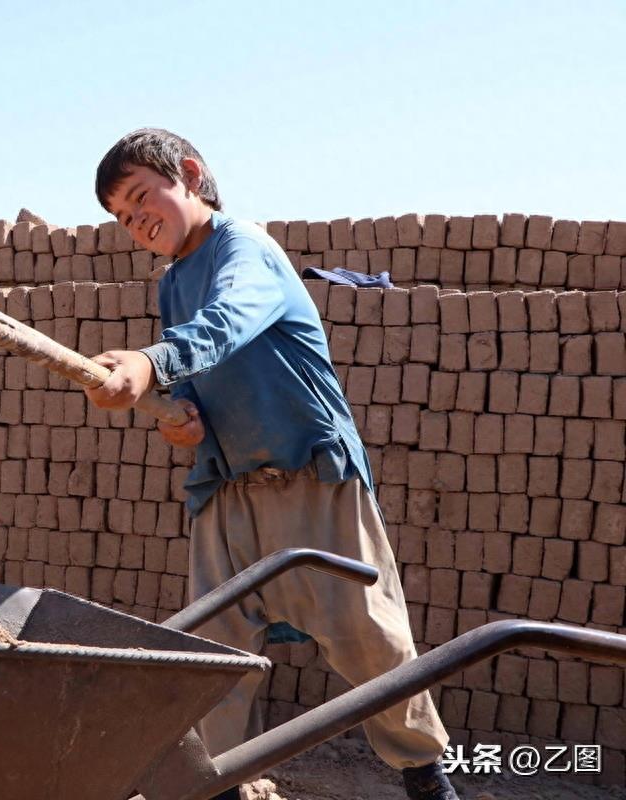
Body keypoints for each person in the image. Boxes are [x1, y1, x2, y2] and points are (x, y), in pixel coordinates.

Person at [84, 128, 458, 800]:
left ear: (189, 176)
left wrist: (150, 363)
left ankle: (428, 784)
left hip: (308, 475)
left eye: (142, 198)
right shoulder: (172, 286)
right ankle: (218, 788)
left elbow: (230, 321)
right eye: (122, 217)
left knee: (370, 642)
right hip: (226, 494)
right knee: (209, 654)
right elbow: (195, 385)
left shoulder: (245, 247)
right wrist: (180, 416)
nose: (137, 222)